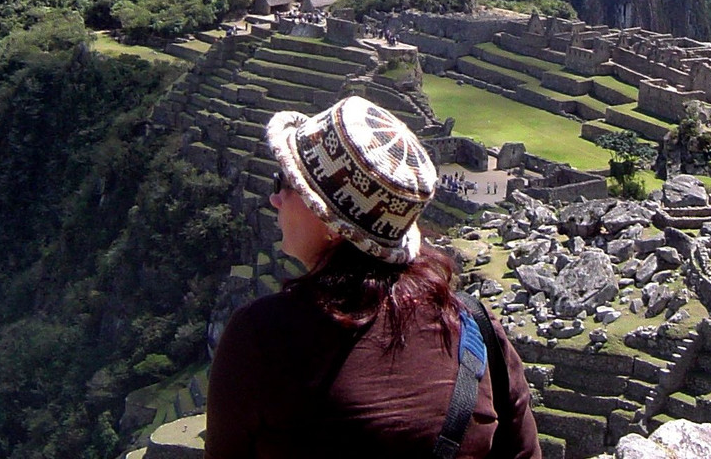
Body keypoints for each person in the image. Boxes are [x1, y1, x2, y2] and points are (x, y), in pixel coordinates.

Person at [204, 96, 540, 459]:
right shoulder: (474, 326)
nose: (274, 200)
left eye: (283, 183)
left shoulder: (261, 337)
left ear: (330, 223)